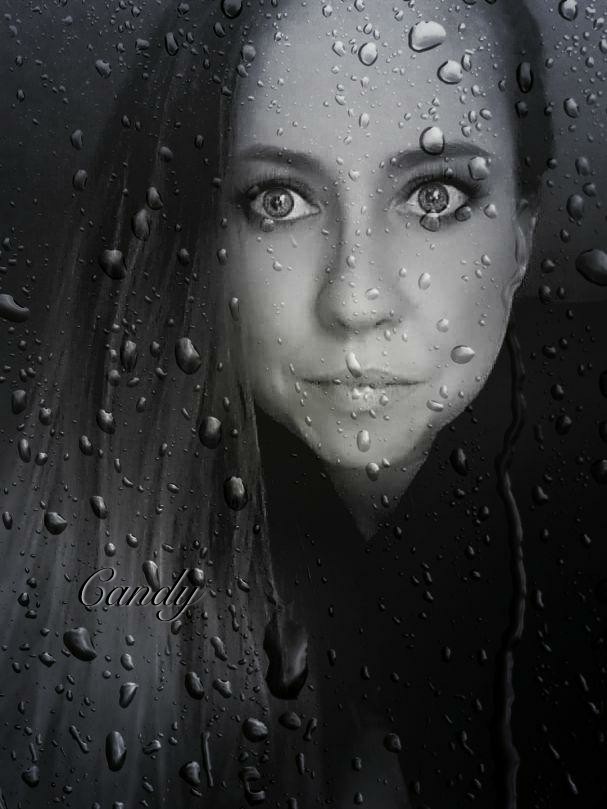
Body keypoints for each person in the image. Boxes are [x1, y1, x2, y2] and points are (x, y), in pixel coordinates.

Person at [0, 0, 562, 807]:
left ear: (519, 238)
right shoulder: (103, 558)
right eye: (277, 200)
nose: (356, 298)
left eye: (434, 197)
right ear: (200, 239)